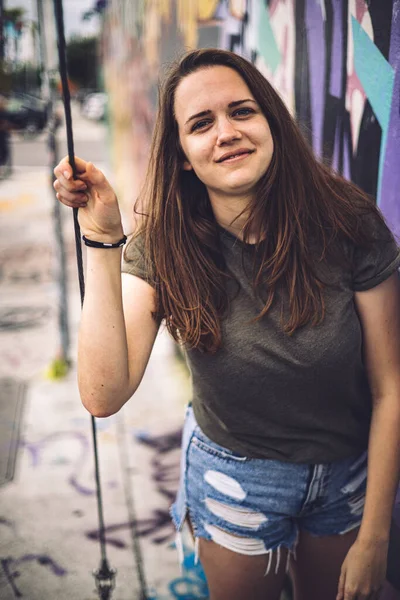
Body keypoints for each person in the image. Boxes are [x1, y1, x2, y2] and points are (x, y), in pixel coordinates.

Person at [53, 48, 400, 600]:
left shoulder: (349, 224)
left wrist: (377, 538)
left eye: (242, 111)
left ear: (271, 123)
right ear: (185, 156)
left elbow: (390, 388)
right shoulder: (166, 248)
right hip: (235, 478)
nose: (227, 132)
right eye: (201, 123)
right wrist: (101, 238)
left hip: (346, 472)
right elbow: (103, 393)